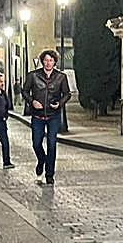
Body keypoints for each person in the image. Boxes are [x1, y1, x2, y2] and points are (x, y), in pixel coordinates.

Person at [22, 49, 71, 185]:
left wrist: (59, 104)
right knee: (36, 143)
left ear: (55, 62)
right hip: (37, 116)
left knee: (52, 144)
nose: (48, 63)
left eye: (51, 60)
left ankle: (50, 174)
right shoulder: (33, 76)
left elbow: (67, 94)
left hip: (53, 116)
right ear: (42, 61)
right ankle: (41, 161)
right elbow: (25, 91)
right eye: (46, 60)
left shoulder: (61, 77)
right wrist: (32, 101)